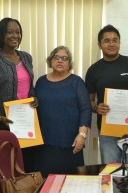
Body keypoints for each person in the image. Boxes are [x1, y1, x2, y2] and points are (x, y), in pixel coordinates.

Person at [85, 25, 128, 164]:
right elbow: (89, 101)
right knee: (111, 170)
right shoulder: (93, 70)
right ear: (99, 45)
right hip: (107, 131)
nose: (111, 44)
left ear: (119, 42)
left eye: (115, 40)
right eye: (107, 41)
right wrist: (96, 108)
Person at [0, 17, 38, 172]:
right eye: (10, 32)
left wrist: (34, 98)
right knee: (8, 167)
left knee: (28, 164)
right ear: (1, 35)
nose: (15, 36)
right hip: (4, 123)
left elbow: (28, 86)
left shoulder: (26, 57)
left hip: (26, 121)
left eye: (18, 32)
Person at [34, 46, 92, 177]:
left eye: (65, 58)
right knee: (46, 184)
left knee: (70, 184)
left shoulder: (76, 82)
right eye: (57, 57)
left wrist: (82, 135)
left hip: (70, 143)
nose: (60, 61)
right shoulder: (41, 82)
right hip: (44, 144)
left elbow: (85, 109)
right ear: (51, 60)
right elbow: (34, 105)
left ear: (69, 63)